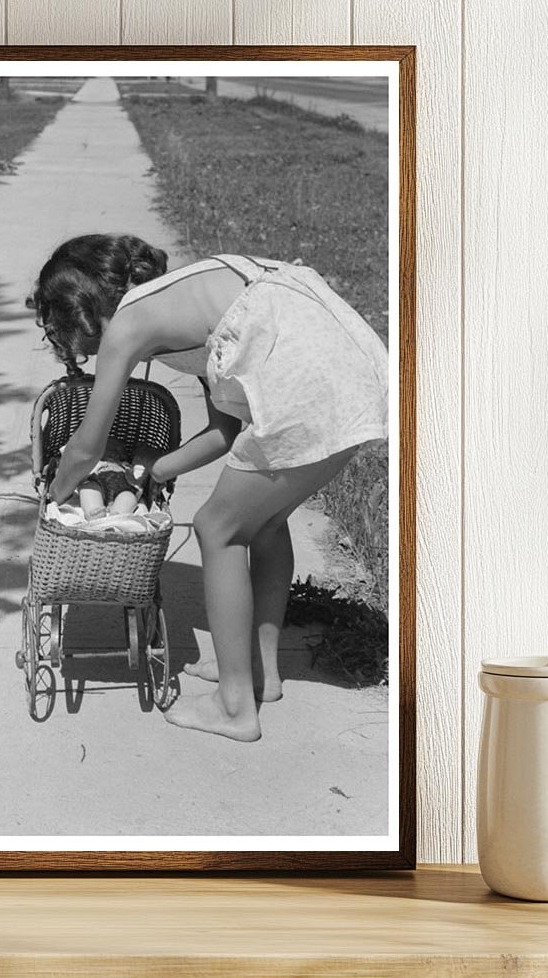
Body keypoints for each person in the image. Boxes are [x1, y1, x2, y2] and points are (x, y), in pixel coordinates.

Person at [28, 234, 388, 742]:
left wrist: (56, 490)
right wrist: (154, 470)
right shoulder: (184, 304)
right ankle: (259, 671)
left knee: (215, 527)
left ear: (80, 310)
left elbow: (86, 447)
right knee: (263, 522)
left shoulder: (128, 322)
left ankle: (234, 706)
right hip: (344, 369)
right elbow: (224, 431)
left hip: (303, 377)